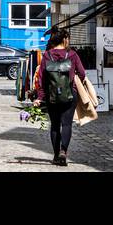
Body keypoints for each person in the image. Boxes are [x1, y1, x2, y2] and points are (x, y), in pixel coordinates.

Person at [34, 27, 86, 166]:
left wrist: (40, 96)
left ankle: (56, 155)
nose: (68, 40)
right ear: (64, 39)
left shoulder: (47, 55)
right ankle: (64, 151)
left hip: (52, 95)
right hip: (69, 94)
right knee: (67, 123)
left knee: (55, 126)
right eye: (68, 38)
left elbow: (41, 79)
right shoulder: (72, 55)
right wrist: (74, 81)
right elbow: (82, 73)